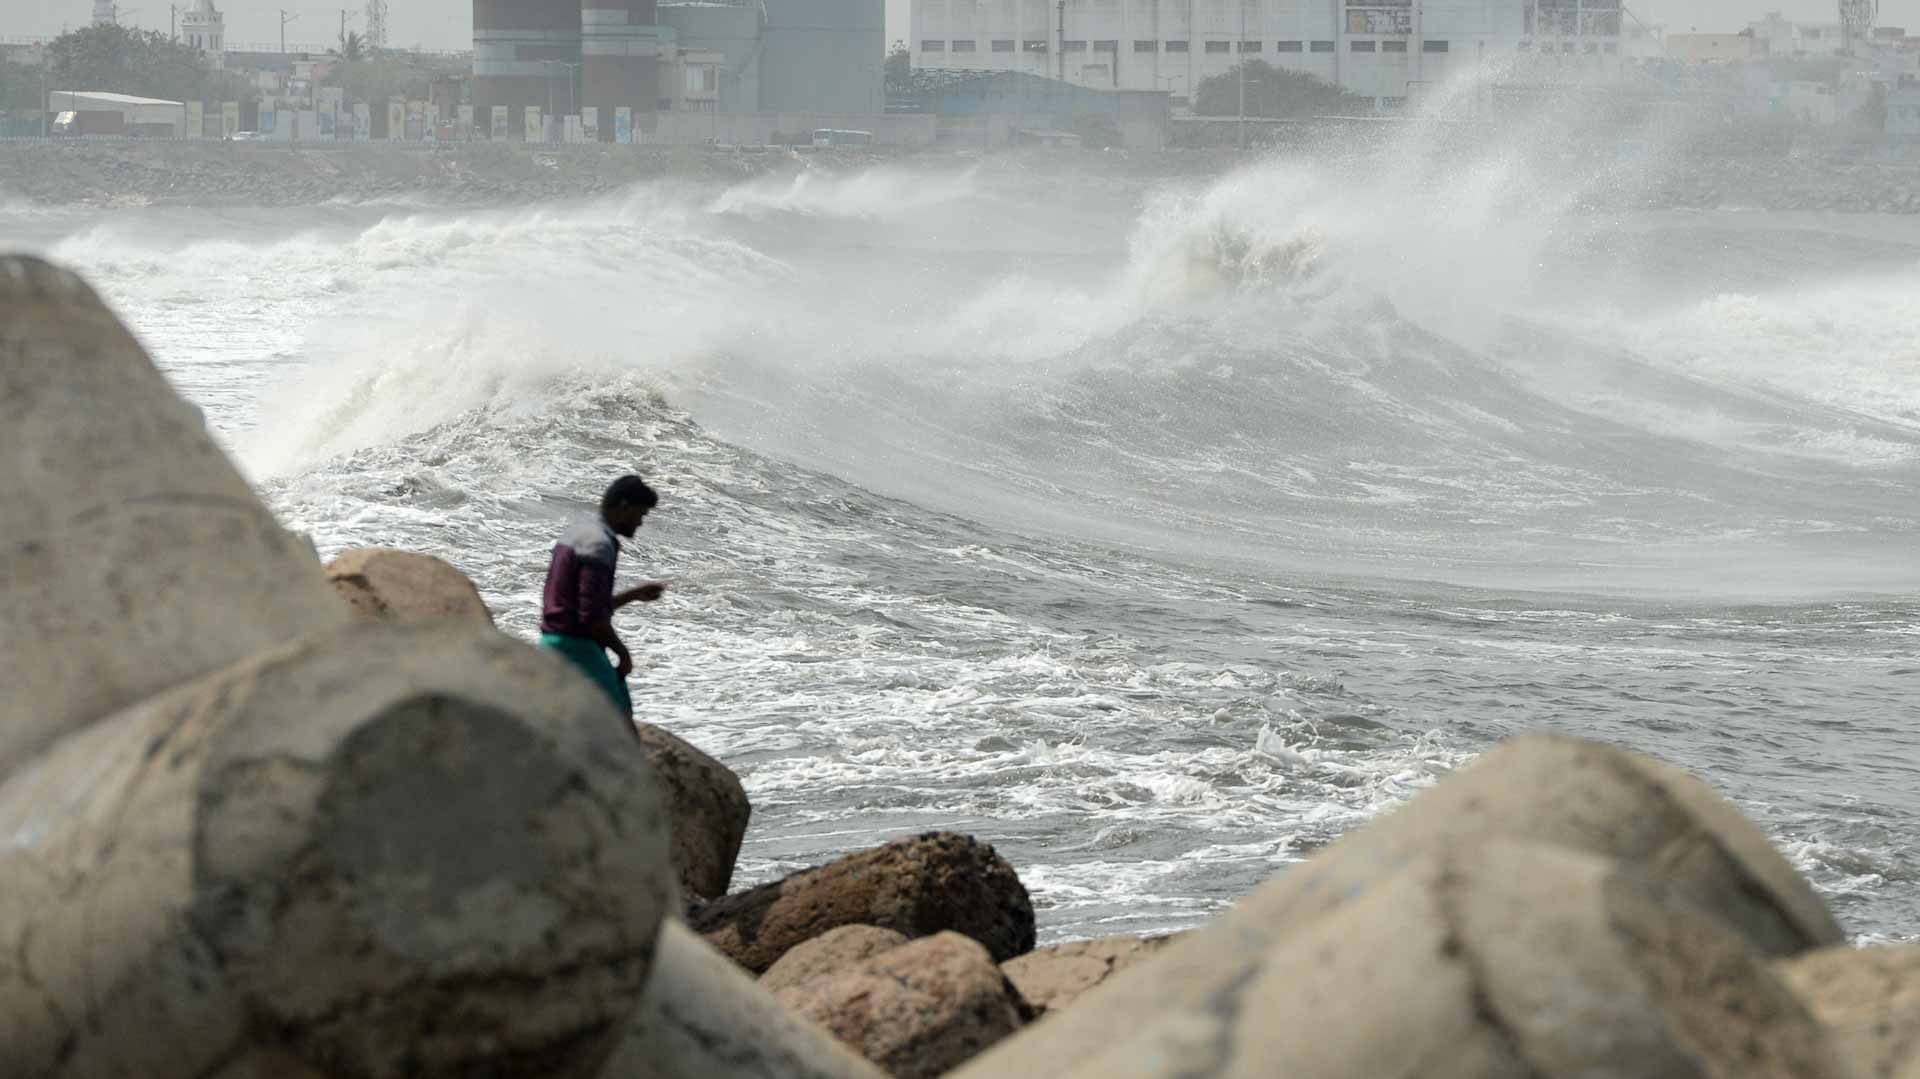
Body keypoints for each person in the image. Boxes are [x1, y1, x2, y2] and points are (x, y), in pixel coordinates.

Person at [539, 475, 667, 720]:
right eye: (640, 514)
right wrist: (623, 653)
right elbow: (592, 618)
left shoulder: (578, 534)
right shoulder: (600, 545)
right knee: (619, 721)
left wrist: (633, 595)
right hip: (576, 646)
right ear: (624, 507)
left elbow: (583, 605)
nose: (640, 523)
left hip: (551, 640)